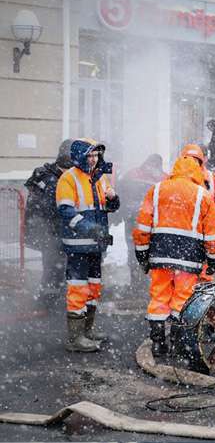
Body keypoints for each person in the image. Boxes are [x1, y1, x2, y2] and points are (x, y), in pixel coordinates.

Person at [132, 156, 215, 356]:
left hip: (160, 255)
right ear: (197, 172)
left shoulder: (156, 190)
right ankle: (176, 340)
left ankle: (157, 342)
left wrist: (142, 254)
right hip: (189, 258)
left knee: (159, 297)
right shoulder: (202, 195)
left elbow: (142, 227)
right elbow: (213, 233)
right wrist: (214, 258)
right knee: (182, 299)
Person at [56, 138, 120, 352]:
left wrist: (113, 198)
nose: (93, 160)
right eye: (89, 155)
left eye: (96, 155)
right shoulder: (68, 179)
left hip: (95, 245)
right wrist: (89, 228)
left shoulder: (99, 178)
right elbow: (65, 211)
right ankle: (75, 338)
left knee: (93, 286)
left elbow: (107, 207)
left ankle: (87, 330)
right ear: (79, 156)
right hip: (78, 245)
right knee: (78, 288)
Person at [25, 140, 73, 296]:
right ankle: (49, 299)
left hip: (54, 231)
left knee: (57, 266)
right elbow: (47, 207)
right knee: (53, 267)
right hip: (51, 231)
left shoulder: (49, 175)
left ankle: (53, 296)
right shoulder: (50, 178)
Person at [180, 144, 215, 281]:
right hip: (198, 235)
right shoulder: (213, 180)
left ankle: (191, 298)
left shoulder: (173, 179)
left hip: (191, 235)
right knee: (196, 277)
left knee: (186, 278)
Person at [116, 154, 166, 289]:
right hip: (153, 222)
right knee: (151, 250)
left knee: (133, 249)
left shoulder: (132, 174)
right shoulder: (163, 178)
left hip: (133, 219)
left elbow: (120, 193)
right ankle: (148, 281)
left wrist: (122, 212)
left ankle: (136, 281)